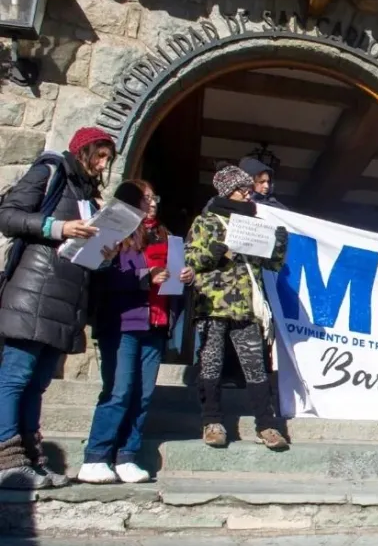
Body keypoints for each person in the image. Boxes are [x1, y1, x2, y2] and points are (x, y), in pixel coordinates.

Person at [0, 127, 116, 490]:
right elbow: (8, 216)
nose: (103, 165)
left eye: (108, 159)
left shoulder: (88, 196)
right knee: (16, 376)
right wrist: (59, 226)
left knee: (38, 383)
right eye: (99, 156)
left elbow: (85, 254)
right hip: (32, 292)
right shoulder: (50, 170)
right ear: (82, 151)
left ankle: (30, 459)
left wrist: (104, 254)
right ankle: (6, 461)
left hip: (66, 299)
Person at [78, 180, 195, 484]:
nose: (152, 203)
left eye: (154, 198)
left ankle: (127, 456)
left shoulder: (166, 236)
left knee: (143, 395)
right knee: (119, 391)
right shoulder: (115, 232)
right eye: (145, 198)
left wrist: (185, 276)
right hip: (123, 323)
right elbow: (103, 275)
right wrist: (147, 275)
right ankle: (96, 456)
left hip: (157, 323)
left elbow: (173, 278)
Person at [186, 165, 290, 450]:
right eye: (242, 189)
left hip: (245, 306)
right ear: (227, 191)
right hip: (213, 305)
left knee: (255, 366)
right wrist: (215, 251)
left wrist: (279, 244)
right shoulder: (206, 221)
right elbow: (190, 259)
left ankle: (267, 425)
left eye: (248, 189)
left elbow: (271, 264)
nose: (247, 194)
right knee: (211, 363)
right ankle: (212, 422)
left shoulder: (253, 223)